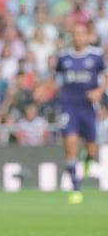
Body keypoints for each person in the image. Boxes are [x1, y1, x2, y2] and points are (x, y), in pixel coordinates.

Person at [54, 23, 108, 204]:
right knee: (70, 145)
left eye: (81, 33)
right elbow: (55, 78)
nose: (78, 37)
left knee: (92, 148)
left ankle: (89, 160)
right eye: (75, 33)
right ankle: (76, 187)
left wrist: (99, 92)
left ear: (87, 36)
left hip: (87, 108)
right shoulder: (64, 57)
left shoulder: (96, 56)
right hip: (69, 106)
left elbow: (106, 76)